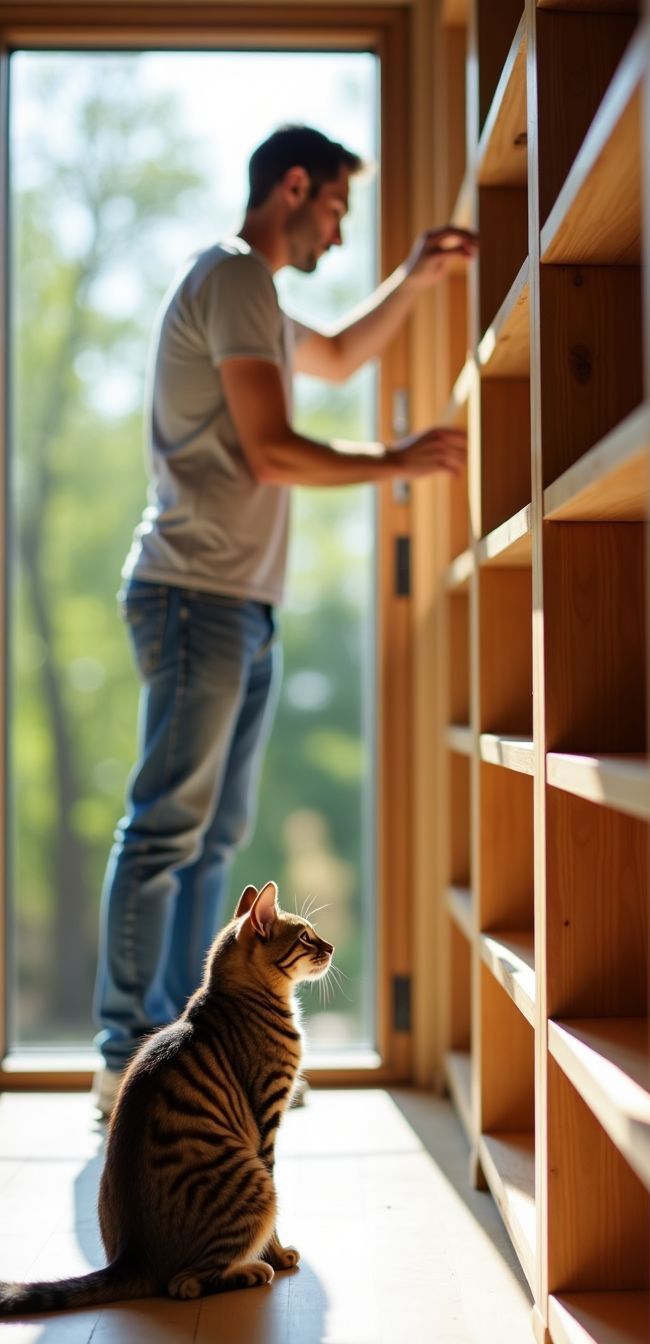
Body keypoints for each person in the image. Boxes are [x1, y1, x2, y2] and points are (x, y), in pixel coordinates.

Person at [92, 123, 474, 1115]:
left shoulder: (255, 299)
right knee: (169, 827)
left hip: (240, 603)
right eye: (337, 209)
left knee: (218, 835)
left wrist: (417, 278)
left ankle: (188, 1047)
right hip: (195, 594)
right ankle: (121, 1052)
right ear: (294, 187)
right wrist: (398, 459)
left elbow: (341, 355)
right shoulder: (230, 278)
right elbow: (270, 450)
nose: (338, 236)